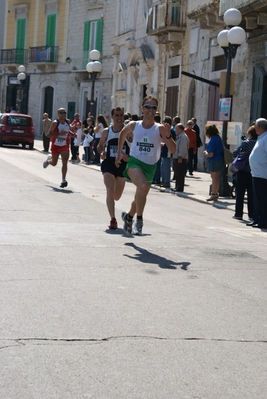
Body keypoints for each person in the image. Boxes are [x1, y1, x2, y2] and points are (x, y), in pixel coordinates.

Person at [115, 95, 176, 235]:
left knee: (140, 194)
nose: (150, 110)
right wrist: (119, 153)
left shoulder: (159, 128)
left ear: (156, 110)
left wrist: (167, 137)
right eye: (148, 107)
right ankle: (139, 221)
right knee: (143, 186)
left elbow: (173, 150)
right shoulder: (134, 125)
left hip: (151, 166)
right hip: (134, 162)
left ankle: (128, 217)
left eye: (154, 107)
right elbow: (122, 134)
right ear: (142, 109)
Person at [97, 107, 130, 229]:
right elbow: (100, 146)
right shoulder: (107, 131)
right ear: (112, 117)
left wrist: (128, 156)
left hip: (122, 165)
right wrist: (101, 153)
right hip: (109, 163)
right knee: (110, 190)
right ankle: (113, 219)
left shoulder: (128, 132)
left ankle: (121, 216)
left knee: (117, 196)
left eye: (121, 115)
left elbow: (134, 149)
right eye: (116, 115)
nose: (119, 118)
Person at [43, 108, 76, 188]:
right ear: (58, 114)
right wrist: (59, 134)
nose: (63, 114)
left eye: (64, 112)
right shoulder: (55, 123)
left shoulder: (67, 122)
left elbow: (67, 130)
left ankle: (63, 180)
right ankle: (48, 161)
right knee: (54, 163)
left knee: (65, 161)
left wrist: (72, 134)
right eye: (61, 113)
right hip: (56, 145)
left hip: (65, 145)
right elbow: (48, 134)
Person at [232, 125, 257, 221]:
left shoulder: (245, 144)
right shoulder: (258, 143)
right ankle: (251, 214)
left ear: (250, 134)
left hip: (242, 171)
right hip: (253, 171)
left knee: (240, 194)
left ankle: (238, 214)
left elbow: (235, 153)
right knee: (251, 195)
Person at [247, 118, 267, 228]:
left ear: (259, 127)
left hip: (263, 174)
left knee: (262, 198)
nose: (254, 128)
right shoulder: (261, 138)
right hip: (256, 173)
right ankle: (257, 218)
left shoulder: (266, 138)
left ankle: (263, 220)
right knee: (256, 198)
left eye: (255, 126)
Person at [204, 124, 224, 201]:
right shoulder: (218, 138)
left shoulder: (213, 140)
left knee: (214, 177)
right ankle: (215, 193)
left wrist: (206, 153)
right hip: (219, 159)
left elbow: (211, 154)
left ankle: (214, 194)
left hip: (214, 160)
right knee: (216, 178)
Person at [172, 123, 189, 192]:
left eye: (176, 128)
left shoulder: (183, 137)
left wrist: (180, 156)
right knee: (177, 172)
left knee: (180, 173)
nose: (175, 130)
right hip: (176, 156)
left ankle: (180, 187)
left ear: (180, 129)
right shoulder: (179, 136)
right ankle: (177, 186)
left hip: (180, 157)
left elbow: (183, 148)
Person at [160, 116, 173, 188]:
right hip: (163, 151)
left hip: (167, 151)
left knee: (167, 167)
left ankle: (166, 181)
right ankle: (163, 181)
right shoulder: (164, 130)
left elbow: (170, 140)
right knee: (163, 167)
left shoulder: (171, 131)